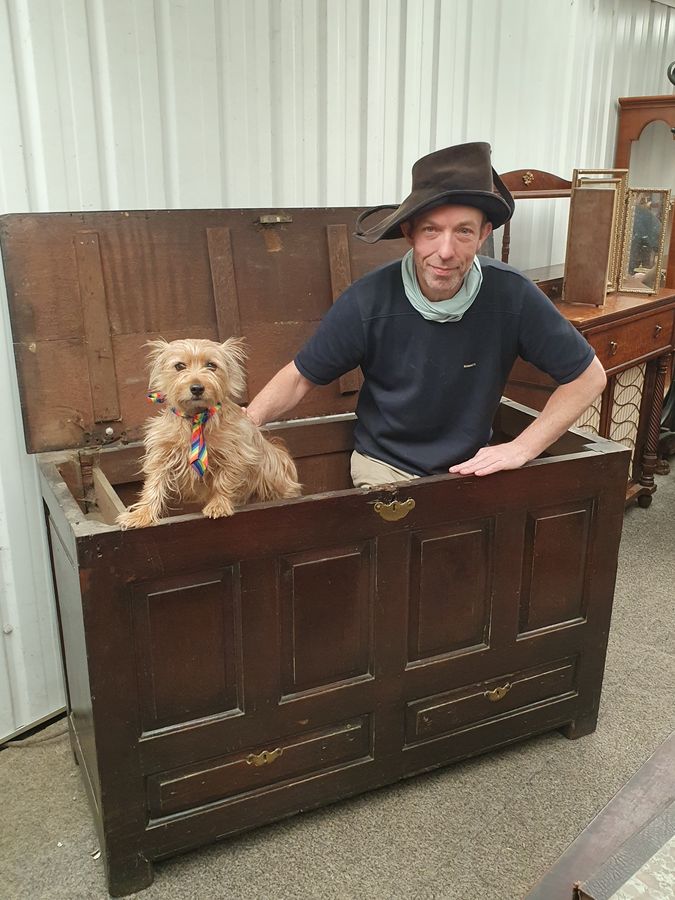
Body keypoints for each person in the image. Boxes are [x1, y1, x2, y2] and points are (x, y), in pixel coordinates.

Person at [245, 142, 607, 488]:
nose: (445, 251)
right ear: (410, 233)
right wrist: (244, 426)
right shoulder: (368, 301)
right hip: (385, 467)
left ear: (483, 234)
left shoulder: (512, 294)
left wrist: (523, 447)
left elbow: (588, 377)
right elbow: (299, 378)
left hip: (473, 469)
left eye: (463, 231)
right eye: (431, 230)